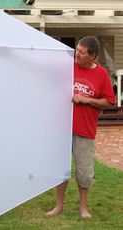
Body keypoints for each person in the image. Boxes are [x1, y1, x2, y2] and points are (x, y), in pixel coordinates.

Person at [46, 36, 115, 218]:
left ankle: (83, 208)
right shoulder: (68, 66)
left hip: (85, 131)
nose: (77, 54)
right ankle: (58, 206)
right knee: (60, 168)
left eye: (82, 52)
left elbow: (109, 102)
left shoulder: (101, 75)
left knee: (84, 173)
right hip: (62, 128)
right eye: (77, 50)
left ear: (92, 56)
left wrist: (87, 100)